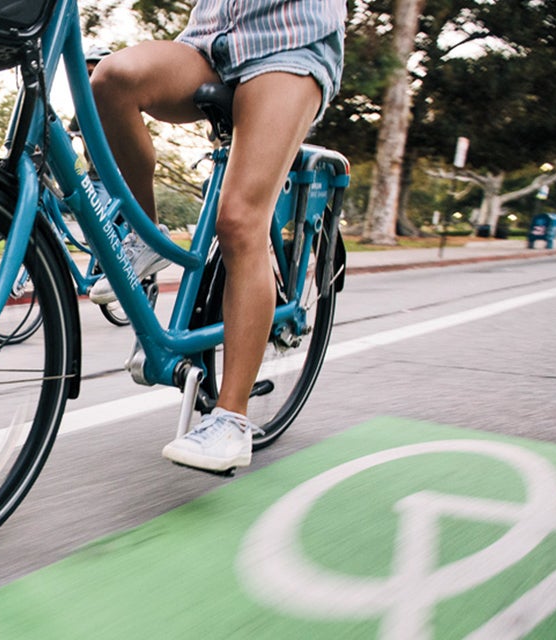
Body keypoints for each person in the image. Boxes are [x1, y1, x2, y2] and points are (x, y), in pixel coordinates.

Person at [90, 0, 346, 472]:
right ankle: (146, 237)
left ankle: (231, 419)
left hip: (288, 45)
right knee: (110, 80)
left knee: (240, 221)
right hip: (209, 41)